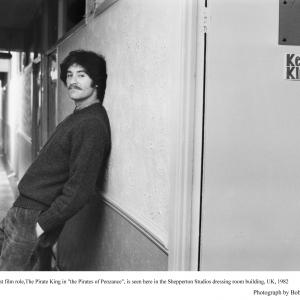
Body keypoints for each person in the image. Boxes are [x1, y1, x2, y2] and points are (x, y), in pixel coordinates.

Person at [0, 50, 111, 270]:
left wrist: (40, 226)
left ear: (96, 80)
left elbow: (79, 189)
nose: (72, 81)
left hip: (32, 218)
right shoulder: (80, 116)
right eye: (69, 75)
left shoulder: (92, 124)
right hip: (22, 210)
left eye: (81, 75)